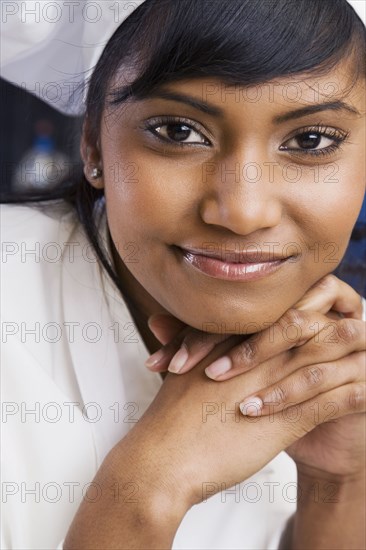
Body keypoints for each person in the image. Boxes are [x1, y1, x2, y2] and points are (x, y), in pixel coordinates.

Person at [1, 0, 365, 548]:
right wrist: (148, 489)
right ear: (94, 144)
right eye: (178, 131)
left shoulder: (344, 360)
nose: (243, 212)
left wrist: (340, 482)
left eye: (310, 141)